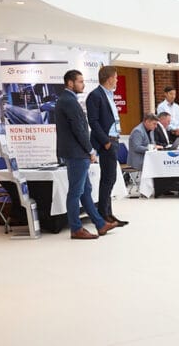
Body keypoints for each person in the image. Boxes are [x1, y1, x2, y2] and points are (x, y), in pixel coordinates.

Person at [54, 70, 118, 240]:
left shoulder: (68, 100)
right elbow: (80, 130)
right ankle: (76, 228)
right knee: (76, 192)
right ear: (70, 83)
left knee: (85, 190)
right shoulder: (69, 101)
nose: (83, 84)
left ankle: (100, 223)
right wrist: (90, 150)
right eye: (80, 81)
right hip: (76, 153)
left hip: (76, 152)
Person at [86, 65, 127, 227]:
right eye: (116, 77)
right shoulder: (95, 96)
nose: (117, 80)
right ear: (110, 78)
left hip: (114, 139)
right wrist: (106, 141)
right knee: (108, 179)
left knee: (111, 178)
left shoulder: (109, 95)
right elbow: (93, 121)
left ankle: (108, 213)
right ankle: (104, 214)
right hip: (107, 142)